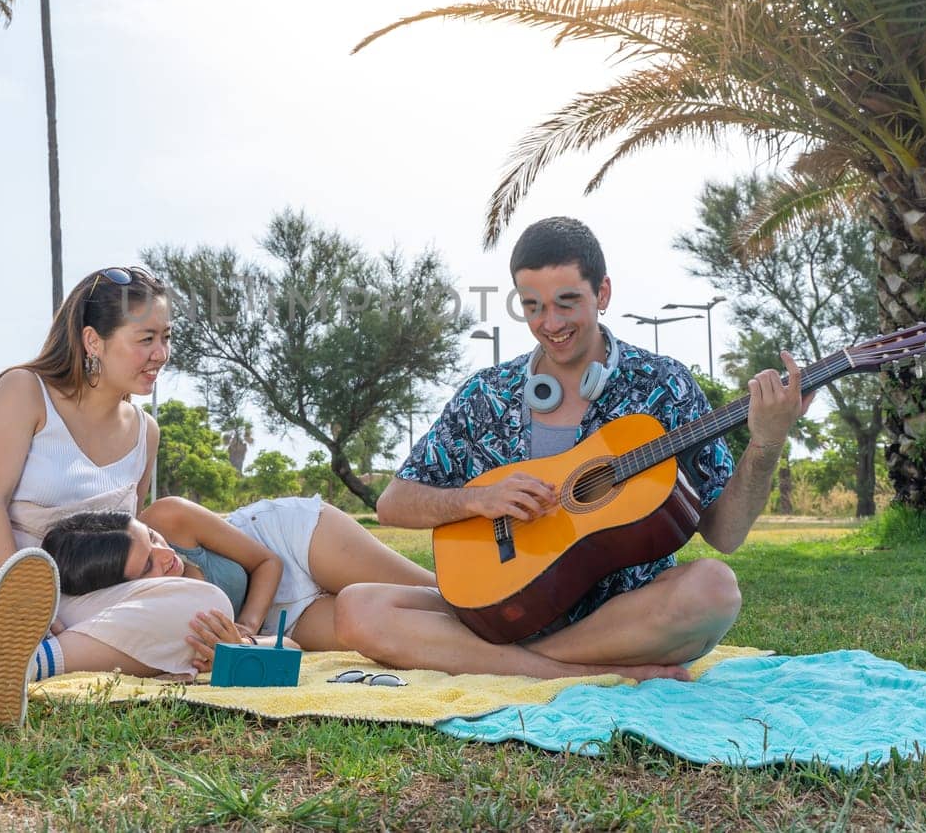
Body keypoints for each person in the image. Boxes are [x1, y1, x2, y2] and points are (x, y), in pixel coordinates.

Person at [333, 217, 811, 680]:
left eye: (567, 302)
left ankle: (513, 664)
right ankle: (571, 671)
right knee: (358, 607)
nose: (550, 323)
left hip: (622, 617)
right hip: (498, 605)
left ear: (602, 293)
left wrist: (767, 442)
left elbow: (724, 535)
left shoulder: (664, 387)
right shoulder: (486, 394)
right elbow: (393, 503)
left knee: (714, 589)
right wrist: (473, 499)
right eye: (532, 306)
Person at [0, 267, 232, 726]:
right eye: (145, 338)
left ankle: (22, 665)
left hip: (81, 586)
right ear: (93, 341)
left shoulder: (146, 432)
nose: (161, 354)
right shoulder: (24, 391)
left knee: (205, 604)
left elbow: (121, 540)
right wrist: (30, 599)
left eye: (166, 338)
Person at [41, 495, 436, 669]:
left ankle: (496, 600)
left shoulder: (170, 515)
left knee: (440, 593)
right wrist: (241, 645)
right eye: (147, 566)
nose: (166, 556)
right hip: (283, 617)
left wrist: (245, 626)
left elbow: (267, 561)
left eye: (154, 541)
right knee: (407, 628)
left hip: (292, 542)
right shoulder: (150, 615)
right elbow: (288, 649)